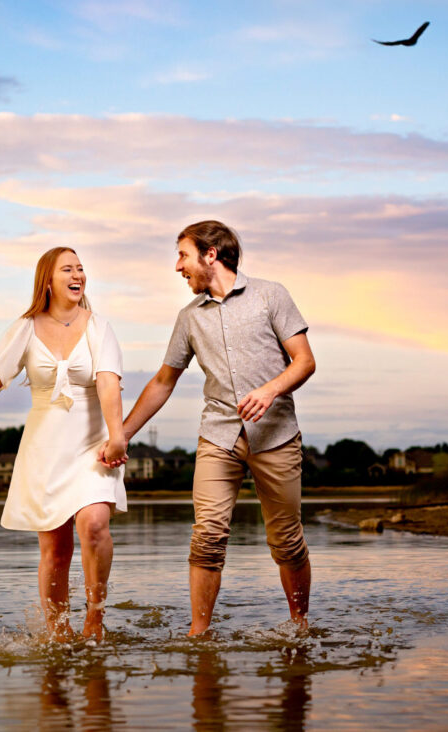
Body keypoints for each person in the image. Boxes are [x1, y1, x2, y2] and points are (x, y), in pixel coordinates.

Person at [102, 220, 316, 636]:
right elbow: (163, 381)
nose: (178, 267)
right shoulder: (189, 318)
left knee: (287, 540)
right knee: (207, 536)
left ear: (210, 255)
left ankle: (300, 628)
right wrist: (122, 434)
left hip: (276, 436)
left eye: (183, 255)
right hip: (219, 436)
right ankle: (198, 634)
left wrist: (270, 390)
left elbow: (304, 361)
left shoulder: (271, 295)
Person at [0, 247, 128, 642]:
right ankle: (58, 633)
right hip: (44, 449)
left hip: (93, 445)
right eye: (67, 269)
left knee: (93, 524)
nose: (78, 275)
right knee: (55, 549)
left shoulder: (99, 327)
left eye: (81, 269)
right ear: (48, 281)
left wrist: (116, 435)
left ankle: (94, 621)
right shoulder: (25, 328)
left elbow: (108, 383)